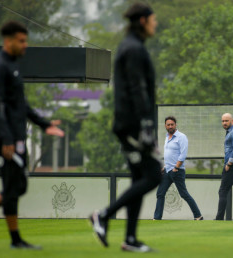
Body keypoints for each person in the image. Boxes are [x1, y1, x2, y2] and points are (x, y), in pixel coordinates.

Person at [0, 21, 64, 249]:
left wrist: (44, 125)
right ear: (8, 41)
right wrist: (6, 139)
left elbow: (21, 105)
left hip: (17, 137)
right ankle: (7, 236)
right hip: (6, 139)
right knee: (14, 187)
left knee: (16, 187)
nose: (25, 45)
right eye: (22, 41)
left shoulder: (13, 66)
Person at [89, 2, 161, 253]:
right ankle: (104, 215)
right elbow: (137, 89)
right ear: (142, 20)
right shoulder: (133, 49)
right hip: (132, 126)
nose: (156, 23)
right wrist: (147, 127)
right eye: (153, 19)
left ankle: (130, 239)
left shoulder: (132, 46)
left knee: (139, 179)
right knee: (153, 175)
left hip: (129, 124)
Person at [153, 116, 203, 220]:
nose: (170, 126)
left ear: (175, 125)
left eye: (172, 124)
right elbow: (171, 155)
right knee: (160, 193)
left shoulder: (181, 137)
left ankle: (198, 215)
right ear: (165, 126)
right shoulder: (167, 137)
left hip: (177, 171)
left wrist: (176, 167)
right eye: (168, 124)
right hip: (167, 170)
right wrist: (165, 167)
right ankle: (157, 218)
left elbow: (182, 154)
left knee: (184, 194)